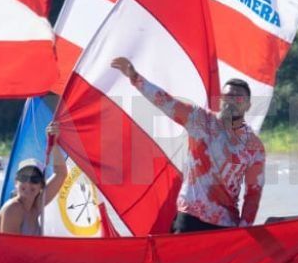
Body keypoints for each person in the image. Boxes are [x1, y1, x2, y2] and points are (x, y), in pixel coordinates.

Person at [110, 56, 265, 232]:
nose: (231, 101)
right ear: (220, 100)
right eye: (227, 96)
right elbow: (166, 101)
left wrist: (243, 229)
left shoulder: (253, 146)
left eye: (238, 98)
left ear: (248, 105)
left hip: (225, 223)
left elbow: (253, 193)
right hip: (191, 215)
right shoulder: (199, 119)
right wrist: (135, 78)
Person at [0, 123, 68, 236]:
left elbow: (61, 174)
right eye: (23, 177)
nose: (28, 183)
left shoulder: (36, 205)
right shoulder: (13, 209)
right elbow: (9, 250)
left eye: (34, 179)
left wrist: (54, 144)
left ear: (41, 185)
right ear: (16, 182)